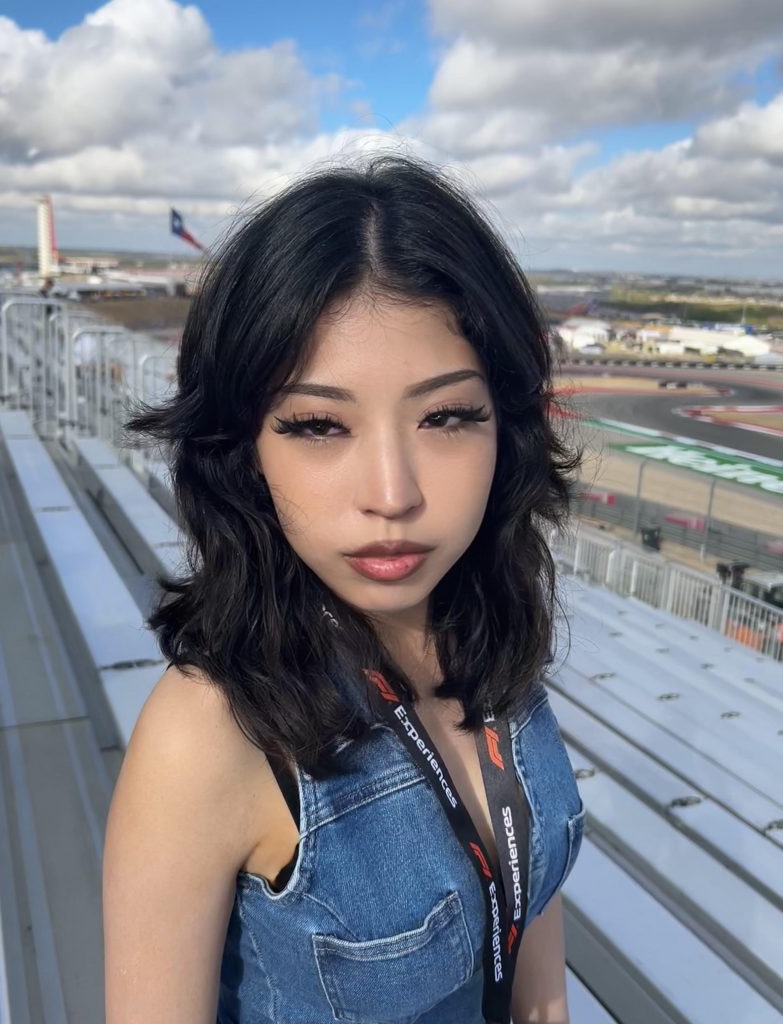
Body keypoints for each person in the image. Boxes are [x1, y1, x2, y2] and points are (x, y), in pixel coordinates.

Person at [103, 153, 586, 1024]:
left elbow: (525, 914)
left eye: (445, 416)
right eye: (319, 425)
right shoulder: (209, 736)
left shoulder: (496, 638)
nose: (392, 494)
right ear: (243, 448)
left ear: (503, 428)